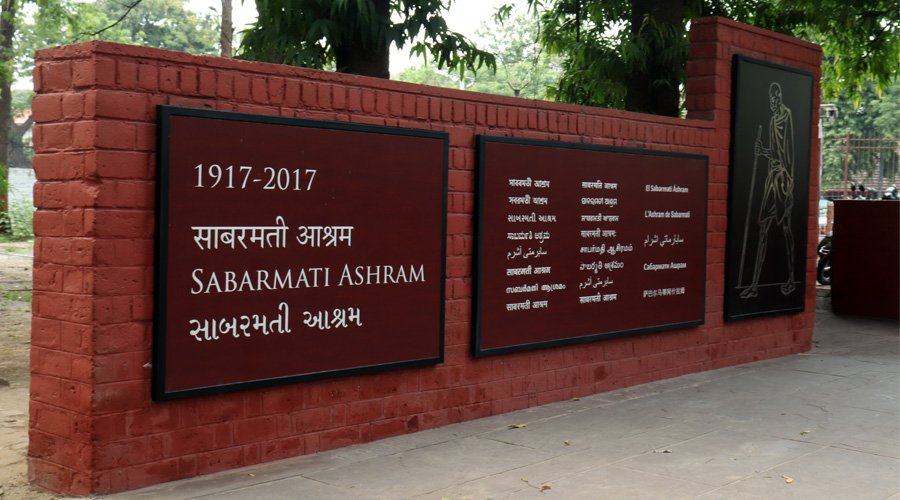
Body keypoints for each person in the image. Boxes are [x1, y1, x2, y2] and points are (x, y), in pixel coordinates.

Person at [741, 82, 796, 298]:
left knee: (786, 228)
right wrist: (762, 151)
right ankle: (754, 285)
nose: (772, 105)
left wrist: (788, 180)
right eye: (769, 102)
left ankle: (791, 278)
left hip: (784, 180)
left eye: (774, 101)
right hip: (772, 179)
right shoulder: (773, 120)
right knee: (763, 227)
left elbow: (788, 154)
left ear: (779, 97)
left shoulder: (787, 117)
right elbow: (775, 152)